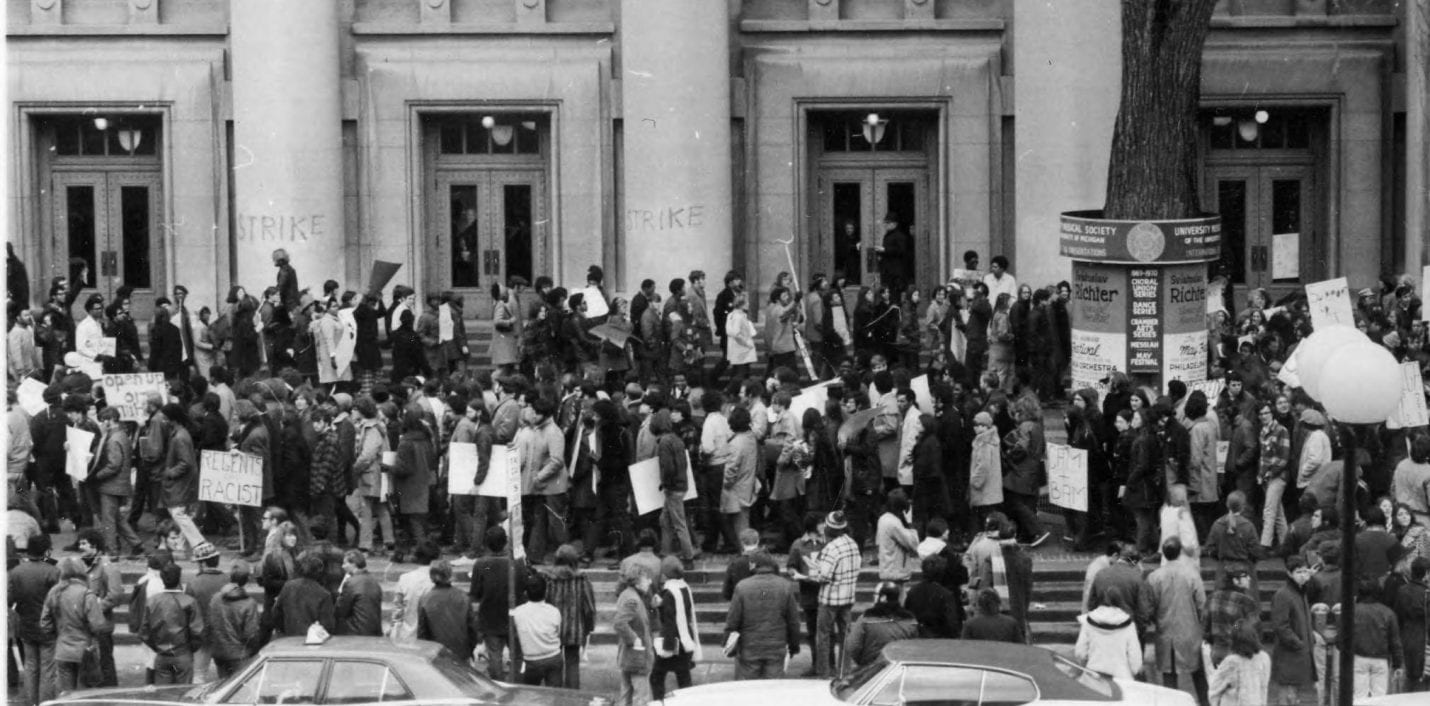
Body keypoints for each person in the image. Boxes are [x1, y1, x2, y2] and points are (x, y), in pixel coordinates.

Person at [1143, 537, 1207, 702]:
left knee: (1169, 679)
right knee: (1199, 675)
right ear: (1180, 552)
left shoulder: (1154, 577)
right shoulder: (1192, 574)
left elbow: (1148, 608)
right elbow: (1202, 605)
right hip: (1190, 633)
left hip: (1166, 633)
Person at [724, 551, 801, 680]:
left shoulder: (742, 587)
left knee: (748, 689)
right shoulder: (785, 586)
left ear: (754, 565)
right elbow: (793, 621)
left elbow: (733, 619)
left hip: (749, 646)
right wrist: (794, 645)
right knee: (772, 690)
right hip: (776, 646)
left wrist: (727, 642)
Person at [469, 527, 526, 681]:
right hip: (514, 615)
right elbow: (524, 586)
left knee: (495, 655)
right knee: (517, 655)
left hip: (490, 616)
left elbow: (475, 593)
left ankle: (498, 685)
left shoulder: (481, 564)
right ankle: (517, 683)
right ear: (506, 542)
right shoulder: (518, 563)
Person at [10, 533, 60, 706]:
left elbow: (9, 600)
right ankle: (45, 702)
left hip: (25, 625)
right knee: (48, 668)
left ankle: (31, 701)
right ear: (46, 551)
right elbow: (57, 601)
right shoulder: (53, 572)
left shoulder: (16, 572)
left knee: (30, 666)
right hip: (49, 627)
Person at [809, 510, 860, 677]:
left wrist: (812, 573)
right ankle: (844, 671)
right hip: (848, 597)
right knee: (845, 636)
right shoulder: (852, 543)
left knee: (823, 636)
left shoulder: (831, 548)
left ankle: (823, 672)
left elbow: (823, 575)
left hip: (830, 598)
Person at [139, 562, 205, 685]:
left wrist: (158, 647)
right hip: (183, 655)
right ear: (179, 578)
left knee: (164, 697)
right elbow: (197, 631)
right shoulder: (189, 601)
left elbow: (144, 631)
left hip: (162, 655)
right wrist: (189, 649)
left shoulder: (152, 601)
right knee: (182, 696)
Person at [544, 544, 596, 688]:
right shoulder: (582, 580)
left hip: (553, 629)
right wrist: (589, 627)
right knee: (573, 663)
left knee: (555, 664)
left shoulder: (549, 579)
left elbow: (544, 602)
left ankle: (557, 698)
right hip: (575, 628)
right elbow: (589, 607)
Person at [1269, 556, 1317, 706]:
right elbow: (1281, 626)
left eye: (1304, 571)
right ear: (1289, 573)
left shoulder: (1300, 593)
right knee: (1288, 694)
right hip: (1290, 653)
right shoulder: (1284, 595)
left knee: (1293, 695)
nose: (1303, 575)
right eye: (1298, 571)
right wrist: (1299, 643)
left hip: (1297, 652)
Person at [843, 581, 918, 674]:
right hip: (898, 671)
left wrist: (862, 663)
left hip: (870, 670)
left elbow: (853, 646)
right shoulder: (910, 620)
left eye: (875, 594)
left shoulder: (866, 619)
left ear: (883, 598)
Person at [1346, 576, 1402, 698]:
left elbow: (1342, 639)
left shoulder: (1352, 611)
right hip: (1380, 659)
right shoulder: (1388, 613)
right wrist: (1397, 664)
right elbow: (1395, 641)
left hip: (1358, 657)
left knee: (1359, 697)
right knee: (1380, 698)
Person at [1074, 586, 1143, 680]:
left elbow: (1080, 652)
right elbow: (1135, 657)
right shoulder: (1129, 625)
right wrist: (1135, 671)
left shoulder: (1088, 622)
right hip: (1122, 677)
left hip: (1094, 674)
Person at [417, 560, 479, 665]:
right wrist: (470, 651)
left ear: (432, 577)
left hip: (437, 656)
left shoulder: (425, 599)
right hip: (461, 654)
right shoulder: (463, 597)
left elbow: (422, 635)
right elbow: (472, 629)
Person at [207, 562, 259, 679]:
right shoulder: (249, 603)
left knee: (222, 686)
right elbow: (250, 633)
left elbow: (210, 623)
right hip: (239, 653)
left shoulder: (215, 598)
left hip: (219, 652)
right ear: (246, 579)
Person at [613, 563, 655, 705]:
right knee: (641, 698)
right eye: (647, 578)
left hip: (628, 656)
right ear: (638, 579)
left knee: (626, 696)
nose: (650, 581)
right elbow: (619, 623)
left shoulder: (628, 594)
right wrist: (634, 639)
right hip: (638, 658)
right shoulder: (633, 599)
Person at [183, 545, 227, 681]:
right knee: (226, 676)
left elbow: (187, 612)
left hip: (201, 635)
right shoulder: (228, 579)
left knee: (199, 674)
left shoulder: (193, 583)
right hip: (223, 634)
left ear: (202, 563)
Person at [1204, 569, 1261, 669]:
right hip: (1238, 653)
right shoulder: (1245, 601)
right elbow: (1254, 626)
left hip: (1216, 651)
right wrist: (1234, 628)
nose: (1249, 578)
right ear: (1235, 580)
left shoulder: (1212, 598)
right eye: (1245, 576)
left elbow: (1206, 625)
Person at [269, 552, 336, 638]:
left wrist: (284, 629)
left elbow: (276, 613)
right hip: (312, 640)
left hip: (289, 636)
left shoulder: (288, 586)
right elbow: (328, 624)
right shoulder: (324, 594)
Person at [1208, 621, 1272, 706]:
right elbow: (1264, 687)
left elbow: (1215, 690)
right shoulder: (1264, 658)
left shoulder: (1232, 662)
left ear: (1234, 640)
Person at [904, 554, 962, 639]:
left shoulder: (912, 592)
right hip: (939, 640)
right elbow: (952, 625)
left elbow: (907, 618)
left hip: (917, 638)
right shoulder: (946, 595)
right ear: (942, 572)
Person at [1393, 557, 1429, 692]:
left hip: (1406, 637)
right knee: (1423, 680)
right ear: (1426, 573)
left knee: (1408, 679)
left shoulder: (1402, 590)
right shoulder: (1427, 593)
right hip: (1424, 641)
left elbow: (1398, 615)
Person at [876, 488, 919, 584]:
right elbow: (913, 543)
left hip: (888, 569)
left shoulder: (883, 519)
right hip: (895, 573)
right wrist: (909, 522)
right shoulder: (894, 523)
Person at [335, 549, 382, 636]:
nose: (342, 566)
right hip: (374, 629)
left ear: (353, 564)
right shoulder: (373, 580)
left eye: (345, 563)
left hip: (356, 630)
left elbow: (341, 610)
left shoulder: (351, 583)